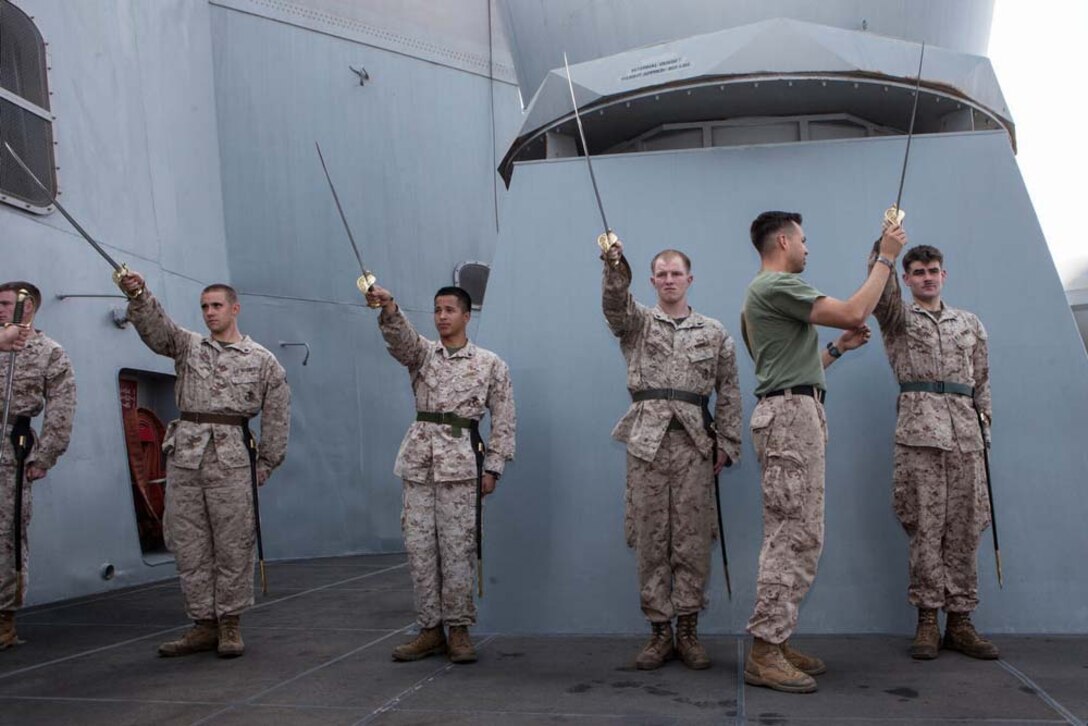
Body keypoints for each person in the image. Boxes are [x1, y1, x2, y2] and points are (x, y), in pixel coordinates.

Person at [741, 212, 905, 693]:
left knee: (800, 533)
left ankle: (777, 636)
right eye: (805, 241)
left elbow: (786, 368)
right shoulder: (776, 286)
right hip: (791, 420)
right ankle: (765, 651)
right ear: (784, 240)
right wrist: (885, 259)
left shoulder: (764, 295)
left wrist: (835, 351)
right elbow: (856, 310)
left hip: (794, 413)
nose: (808, 249)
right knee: (792, 535)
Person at [118, 272, 290, 658]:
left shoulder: (262, 361)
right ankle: (202, 623)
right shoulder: (188, 347)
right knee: (189, 542)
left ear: (234, 309)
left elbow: (278, 416)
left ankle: (230, 623)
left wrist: (266, 463)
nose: (209, 313)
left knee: (232, 542)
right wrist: (139, 294)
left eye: (216, 306)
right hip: (187, 456)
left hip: (231, 457)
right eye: (204, 307)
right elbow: (157, 332)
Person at [601, 239, 741, 670]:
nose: (668, 280)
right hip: (647, 444)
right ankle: (659, 632)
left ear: (689, 279)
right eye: (661, 274)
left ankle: (688, 630)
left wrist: (729, 444)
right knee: (650, 538)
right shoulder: (637, 323)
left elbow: (730, 392)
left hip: (695, 446)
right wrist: (613, 264)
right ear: (651, 281)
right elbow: (614, 303)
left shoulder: (714, 332)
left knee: (693, 540)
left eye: (675, 273)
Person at [365, 283, 515, 665]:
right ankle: (430, 629)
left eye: (450, 310)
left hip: (462, 467)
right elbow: (400, 342)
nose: (443, 316)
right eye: (437, 310)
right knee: (420, 550)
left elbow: (505, 419)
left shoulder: (490, 364)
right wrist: (389, 307)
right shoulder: (422, 356)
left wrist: (494, 466)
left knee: (458, 550)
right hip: (419, 464)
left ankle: (460, 630)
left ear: (466, 316)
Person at [869, 243, 997, 660]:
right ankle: (927, 620)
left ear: (944, 275)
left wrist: (984, 430)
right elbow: (881, 293)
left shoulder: (970, 324)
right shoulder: (898, 317)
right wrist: (884, 249)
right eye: (918, 271)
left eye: (933, 270)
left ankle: (960, 621)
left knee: (965, 528)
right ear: (907, 279)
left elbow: (982, 381)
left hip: (965, 437)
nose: (927, 277)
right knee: (925, 528)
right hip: (920, 436)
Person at [0, 282, 76, 649]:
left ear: (27, 309)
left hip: (9, 451)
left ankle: (4, 618)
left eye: (5, 304)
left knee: (7, 534)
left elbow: (62, 405)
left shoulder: (49, 352)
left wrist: (46, 456)